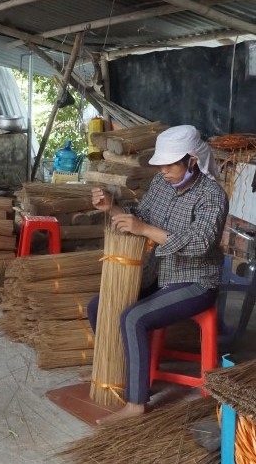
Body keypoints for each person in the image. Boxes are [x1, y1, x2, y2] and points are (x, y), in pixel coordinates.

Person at [87, 124, 228, 425]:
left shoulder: (212, 196)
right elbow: (141, 219)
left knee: (134, 317)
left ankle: (136, 404)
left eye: (170, 164)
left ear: (192, 160)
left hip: (195, 281)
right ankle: (114, 371)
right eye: (161, 164)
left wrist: (145, 229)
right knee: (99, 305)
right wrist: (112, 208)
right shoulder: (161, 184)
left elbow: (200, 243)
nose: (164, 170)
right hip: (159, 273)